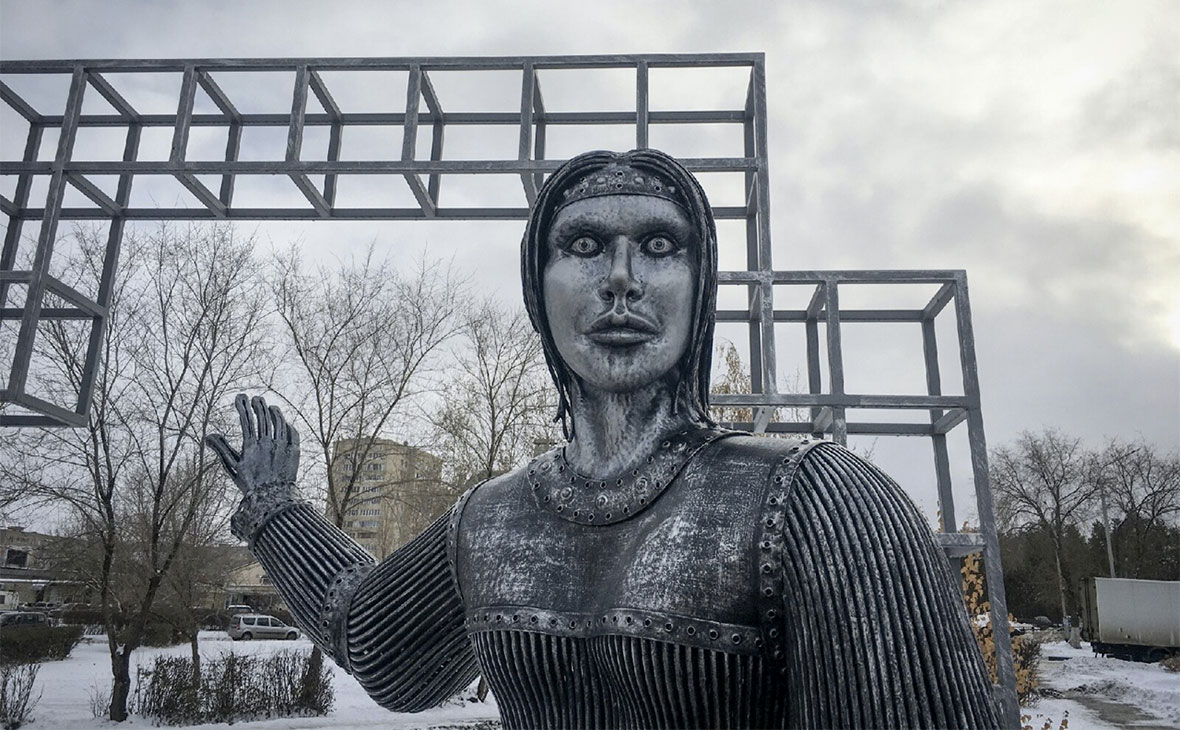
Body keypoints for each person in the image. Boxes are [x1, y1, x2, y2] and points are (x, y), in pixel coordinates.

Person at [206, 149, 1000, 729]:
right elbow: (378, 645)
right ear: (537, 287)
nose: (621, 277)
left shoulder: (817, 502)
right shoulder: (493, 519)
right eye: (583, 245)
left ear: (699, 285)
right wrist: (275, 509)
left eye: (659, 245)